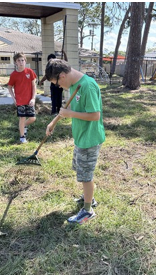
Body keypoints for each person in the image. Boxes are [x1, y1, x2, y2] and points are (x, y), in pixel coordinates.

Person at [41, 59, 106, 224]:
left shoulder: (87, 86)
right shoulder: (73, 86)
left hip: (89, 139)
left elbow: (95, 115)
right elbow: (72, 110)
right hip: (81, 137)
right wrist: (53, 122)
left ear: (62, 76)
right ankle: (88, 197)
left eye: (56, 83)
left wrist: (70, 114)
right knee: (81, 169)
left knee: (86, 176)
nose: (58, 87)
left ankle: (87, 210)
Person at [6, 52, 38, 143]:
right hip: (20, 100)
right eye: (18, 60)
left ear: (25, 61)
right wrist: (13, 98)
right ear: (15, 62)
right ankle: (22, 136)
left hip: (29, 100)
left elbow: (34, 86)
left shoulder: (30, 72)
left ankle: (23, 126)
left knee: (32, 118)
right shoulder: (14, 75)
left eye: (22, 60)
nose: (21, 62)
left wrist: (33, 98)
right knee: (22, 118)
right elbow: (9, 87)